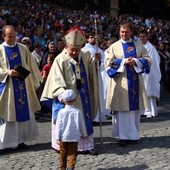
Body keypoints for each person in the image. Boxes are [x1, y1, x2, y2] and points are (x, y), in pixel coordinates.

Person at [41, 26, 99, 155]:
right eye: (73, 50)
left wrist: (96, 62)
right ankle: (63, 146)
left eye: (77, 50)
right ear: (66, 46)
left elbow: (90, 71)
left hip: (83, 97)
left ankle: (84, 146)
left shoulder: (84, 55)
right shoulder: (60, 59)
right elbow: (55, 80)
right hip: (67, 99)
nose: (75, 53)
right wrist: (64, 94)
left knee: (83, 119)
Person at [104, 22, 151, 147]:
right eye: (122, 32)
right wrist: (124, 62)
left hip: (135, 82)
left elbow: (148, 60)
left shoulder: (138, 46)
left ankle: (133, 135)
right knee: (123, 110)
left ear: (131, 32)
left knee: (134, 111)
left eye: (126, 32)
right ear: (119, 32)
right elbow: (108, 62)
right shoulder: (114, 47)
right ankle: (123, 137)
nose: (124, 34)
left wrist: (135, 61)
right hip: (121, 84)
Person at [0, 25, 42, 150]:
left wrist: (35, 80)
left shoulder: (23, 48)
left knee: (25, 112)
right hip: (8, 88)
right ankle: (7, 142)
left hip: (23, 86)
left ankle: (20, 140)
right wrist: (7, 72)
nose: (13, 39)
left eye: (14, 36)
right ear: (3, 36)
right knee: (10, 113)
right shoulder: (0, 49)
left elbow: (32, 66)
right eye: (9, 36)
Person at [82, 31, 109, 123]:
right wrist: (94, 61)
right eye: (91, 37)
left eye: (95, 37)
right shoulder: (84, 50)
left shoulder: (100, 50)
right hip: (88, 77)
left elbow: (104, 65)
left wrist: (99, 61)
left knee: (99, 94)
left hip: (98, 76)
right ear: (87, 39)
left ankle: (98, 116)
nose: (93, 39)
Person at [56, 89, 86, 170]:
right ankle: (71, 166)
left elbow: (59, 125)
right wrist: (84, 134)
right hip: (74, 136)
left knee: (63, 152)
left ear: (63, 100)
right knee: (73, 152)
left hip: (63, 136)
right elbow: (81, 124)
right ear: (75, 100)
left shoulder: (61, 112)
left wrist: (57, 137)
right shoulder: (77, 111)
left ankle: (62, 167)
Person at [139, 30, 161, 118]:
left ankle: (150, 111)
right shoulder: (138, 46)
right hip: (140, 71)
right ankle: (142, 111)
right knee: (141, 92)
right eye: (140, 37)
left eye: (144, 36)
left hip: (149, 72)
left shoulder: (151, 48)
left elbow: (154, 61)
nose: (142, 38)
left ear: (147, 37)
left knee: (149, 91)